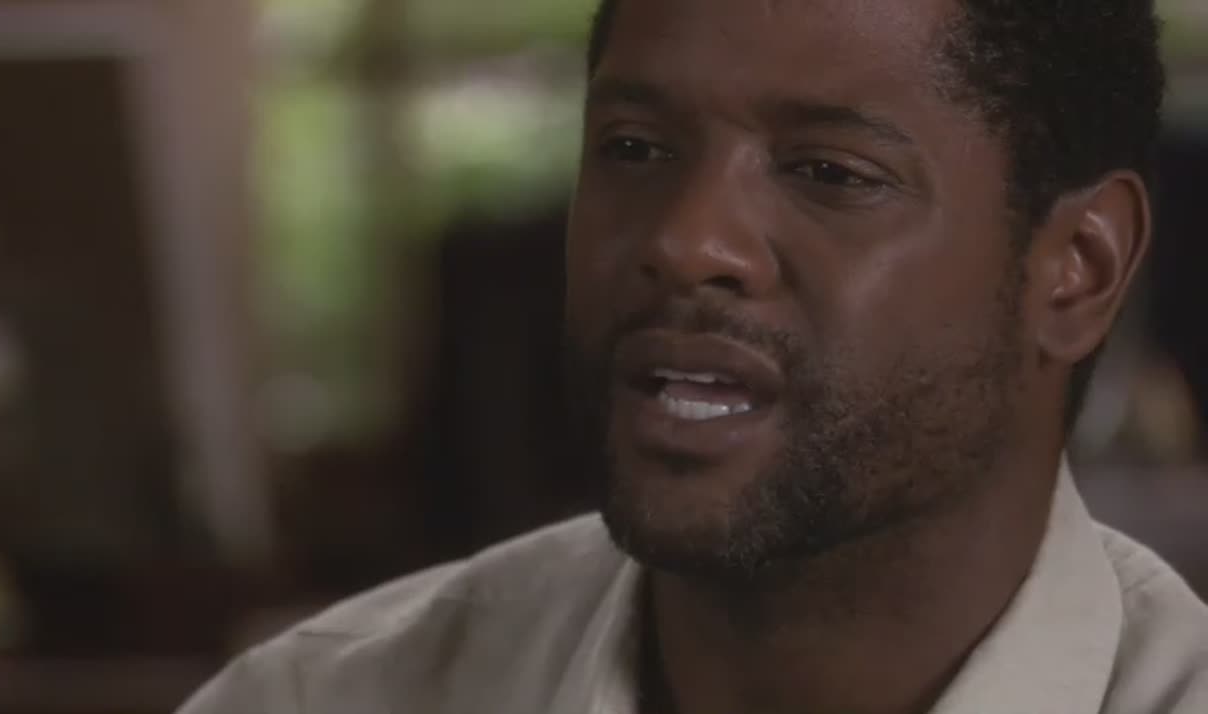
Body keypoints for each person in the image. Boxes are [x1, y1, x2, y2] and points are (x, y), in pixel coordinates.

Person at [178, 0, 1208, 712]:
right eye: (632, 147)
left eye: (829, 171)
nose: (684, 240)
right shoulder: (322, 699)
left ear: (1074, 271)